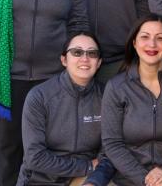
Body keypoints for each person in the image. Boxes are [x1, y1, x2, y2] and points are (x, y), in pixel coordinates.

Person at [0, 0, 89, 186]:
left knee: (48, 153)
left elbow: (79, 23)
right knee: (7, 152)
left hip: (53, 79)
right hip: (7, 78)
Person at [17, 32, 114, 186]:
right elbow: (35, 157)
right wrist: (86, 166)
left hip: (85, 178)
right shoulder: (39, 97)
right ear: (64, 60)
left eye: (92, 53)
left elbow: (110, 151)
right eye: (77, 52)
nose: (85, 58)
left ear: (99, 62)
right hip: (41, 181)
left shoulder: (108, 97)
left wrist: (94, 181)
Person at [101, 14, 162, 186]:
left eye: (160, 38)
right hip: (129, 179)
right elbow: (112, 144)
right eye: (144, 37)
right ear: (134, 43)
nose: (152, 44)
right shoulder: (117, 87)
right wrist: (147, 181)